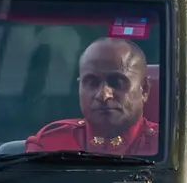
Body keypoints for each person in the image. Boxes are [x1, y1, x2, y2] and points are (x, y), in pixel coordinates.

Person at [27, 39, 162, 157]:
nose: (103, 95)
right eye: (92, 83)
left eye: (117, 83)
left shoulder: (170, 147)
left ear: (144, 90)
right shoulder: (51, 145)